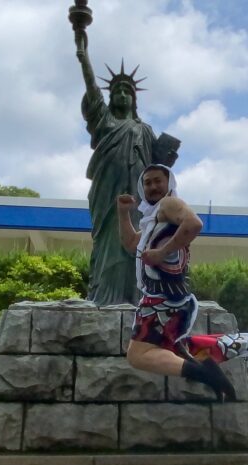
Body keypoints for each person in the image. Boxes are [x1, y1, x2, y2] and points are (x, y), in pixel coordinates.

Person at [73, 25, 178, 306]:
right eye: (116, 91)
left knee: (139, 239)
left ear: (134, 99)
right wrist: (83, 56)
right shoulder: (105, 121)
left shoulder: (144, 129)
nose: (121, 94)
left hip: (139, 197)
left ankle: (138, 295)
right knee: (110, 240)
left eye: (127, 91)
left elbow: (157, 168)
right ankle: (105, 296)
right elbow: (92, 90)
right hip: (108, 193)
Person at [117, 164, 237, 400]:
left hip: (161, 299)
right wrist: (123, 213)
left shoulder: (168, 204)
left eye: (157, 181)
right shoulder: (153, 219)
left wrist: (162, 252)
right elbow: (131, 244)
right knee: (176, 346)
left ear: (169, 183)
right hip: (168, 297)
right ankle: (219, 380)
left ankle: (205, 375)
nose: (152, 186)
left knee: (138, 355)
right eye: (147, 183)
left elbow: (194, 223)